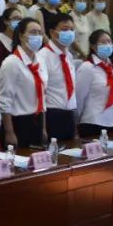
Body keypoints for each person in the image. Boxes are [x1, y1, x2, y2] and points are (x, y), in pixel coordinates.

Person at [0, 18, 48, 148]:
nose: (37, 36)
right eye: (33, 32)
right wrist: (9, 132)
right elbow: (5, 100)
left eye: (40, 33)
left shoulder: (41, 61)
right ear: (21, 36)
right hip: (18, 122)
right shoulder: (11, 63)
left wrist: (43, 128)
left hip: (37, 119)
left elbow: (42, 96)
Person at [38, 13, 78, 142]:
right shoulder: (43, 56)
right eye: (65, 29)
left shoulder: (68, 56)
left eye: (72, 29)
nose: (69, 33)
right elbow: (40, 93)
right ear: (52, 32)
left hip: (69, 114)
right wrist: (43, 127)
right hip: (52, 115)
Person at [75, 30, 113, 138]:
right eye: (103, 42)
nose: (107, 45)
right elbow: (79, 98)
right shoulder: (87, 67)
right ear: (93, 46)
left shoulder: (109, 67)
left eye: (109, 42)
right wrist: (76, 122)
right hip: (93, 122)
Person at [0, 7, 23, 72]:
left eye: (20, 19)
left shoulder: (21, 38)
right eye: (15, 18)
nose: (18, 22)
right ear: (6, 21)